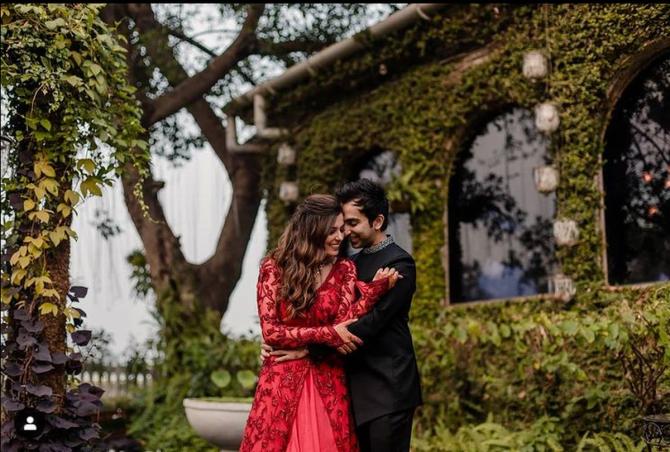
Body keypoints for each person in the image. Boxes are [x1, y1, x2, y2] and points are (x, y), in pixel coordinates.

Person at [263, 179, 423, 452]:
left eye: (352, 223)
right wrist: (282, 339)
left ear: (377, 221)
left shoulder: (399, 264)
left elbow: (368, 325)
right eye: (342, 225)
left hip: (387, 389)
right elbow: (334, 317)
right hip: (352, 386)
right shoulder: (349, 264)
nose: (346, 232)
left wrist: (306, 350)